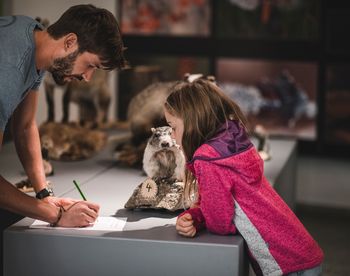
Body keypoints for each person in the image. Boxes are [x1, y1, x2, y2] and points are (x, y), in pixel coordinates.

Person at [164, 79, 324, 276]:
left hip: (287, 265)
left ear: (191, 123)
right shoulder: (229, 146)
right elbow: (221, 204)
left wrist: (200, 218)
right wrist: (195, 217)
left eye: (173, 127)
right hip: (300, 256)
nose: (172, 135)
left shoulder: (208, 159)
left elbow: (220, 223)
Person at [0, 4, 127, 227]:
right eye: (90, 65)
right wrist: (56, 216)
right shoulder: (7, 74)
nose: (87, 77)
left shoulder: (33, 36)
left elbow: (26, 126)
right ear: (69, 42)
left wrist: (44, 195)